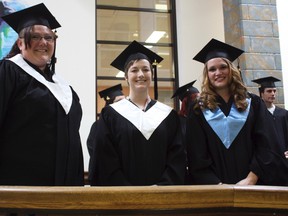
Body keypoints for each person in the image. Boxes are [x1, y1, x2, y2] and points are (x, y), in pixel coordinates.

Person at [0, 3, 84, 186]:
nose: (43, 42)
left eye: (49, 37)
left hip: (63, 192)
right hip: (19, 189)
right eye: (35, 36)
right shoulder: (8, 73)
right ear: (20, 43)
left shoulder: (64, 87)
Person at [186, 38, 288, 186]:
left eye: (223, 67)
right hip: (214, 191)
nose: (218, 73)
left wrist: (251, 179)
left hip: (254, 186)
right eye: (212, 69)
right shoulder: (198, 108)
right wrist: (217, 185)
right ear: (207, 74)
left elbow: (267, 144)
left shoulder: (254, 104)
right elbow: (197, 155)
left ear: (231, 70)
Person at [90, 40, 185, 186]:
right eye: (134, 70)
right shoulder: (110, 115)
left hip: (162, 197)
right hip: (123, 199)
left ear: (151, 75)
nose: (141, 74)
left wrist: (163, 187)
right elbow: (105, 160)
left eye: (146, 69)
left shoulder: (168, 115)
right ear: (126, 77)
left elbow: (176, 158)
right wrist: (128, 192)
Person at [87, 83, 125, 184]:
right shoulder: (98, 125)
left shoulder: (126, 125)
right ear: (110, 104)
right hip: (104, 174)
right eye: (119, 101)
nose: (124, 104)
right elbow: (95, 151)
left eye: (125, 100)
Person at [252, 76, 288, 159]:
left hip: (283, 158)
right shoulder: (256, 114)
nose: (273, 93)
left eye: (274, 91)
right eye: (269, 91)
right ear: (261, 93)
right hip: (264, 159)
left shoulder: (283, 113)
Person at [171, 80, 199, 184]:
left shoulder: (203, 119)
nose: (198, 102)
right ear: (186, 102)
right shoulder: (177, 121)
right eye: (194, 98)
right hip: (185, 169)